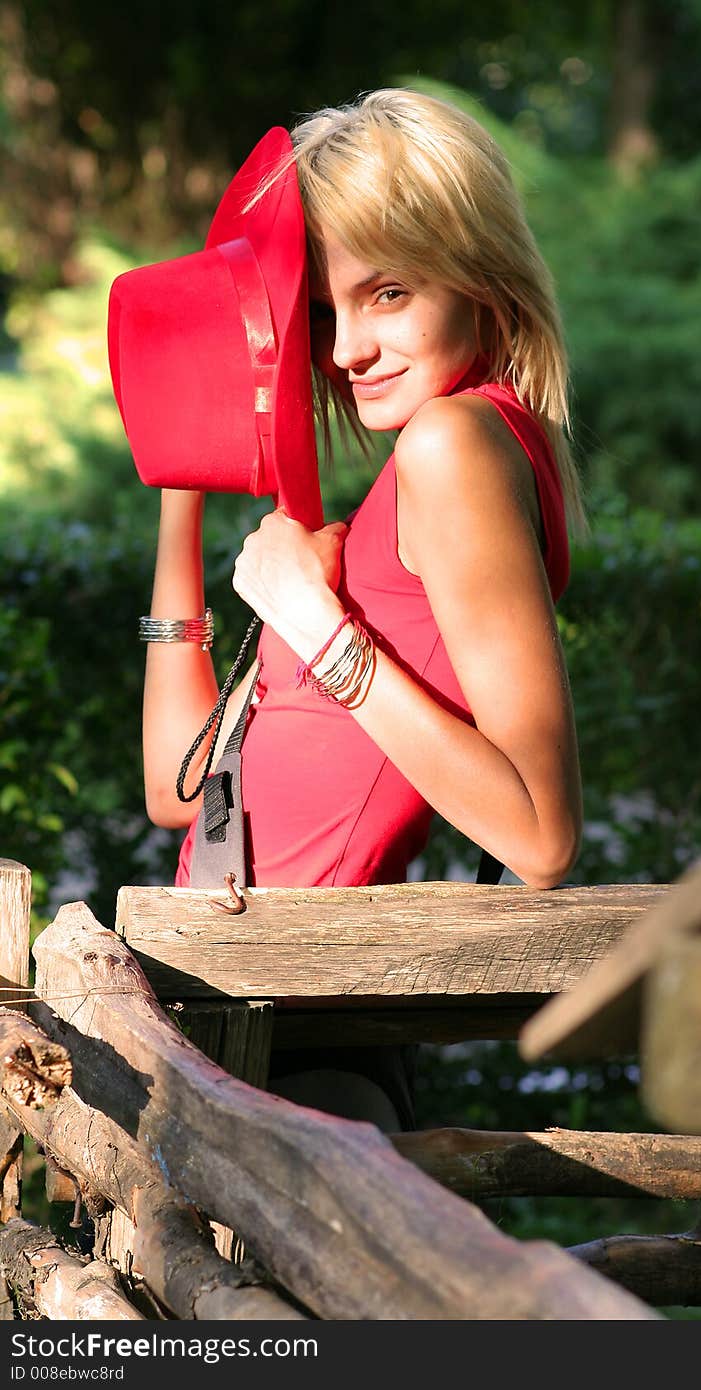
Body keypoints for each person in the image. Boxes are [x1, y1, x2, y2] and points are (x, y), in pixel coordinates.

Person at [140, 88, 584, 1132]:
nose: (345, 351)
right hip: (240, 1017)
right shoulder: (405, 489)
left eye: (388, 293)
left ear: (478, 276)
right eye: (328, 314)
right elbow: (181, 790)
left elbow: (542, 834)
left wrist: (321, 629)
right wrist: (179, 487)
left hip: (301, 1045)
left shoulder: (454, 447)